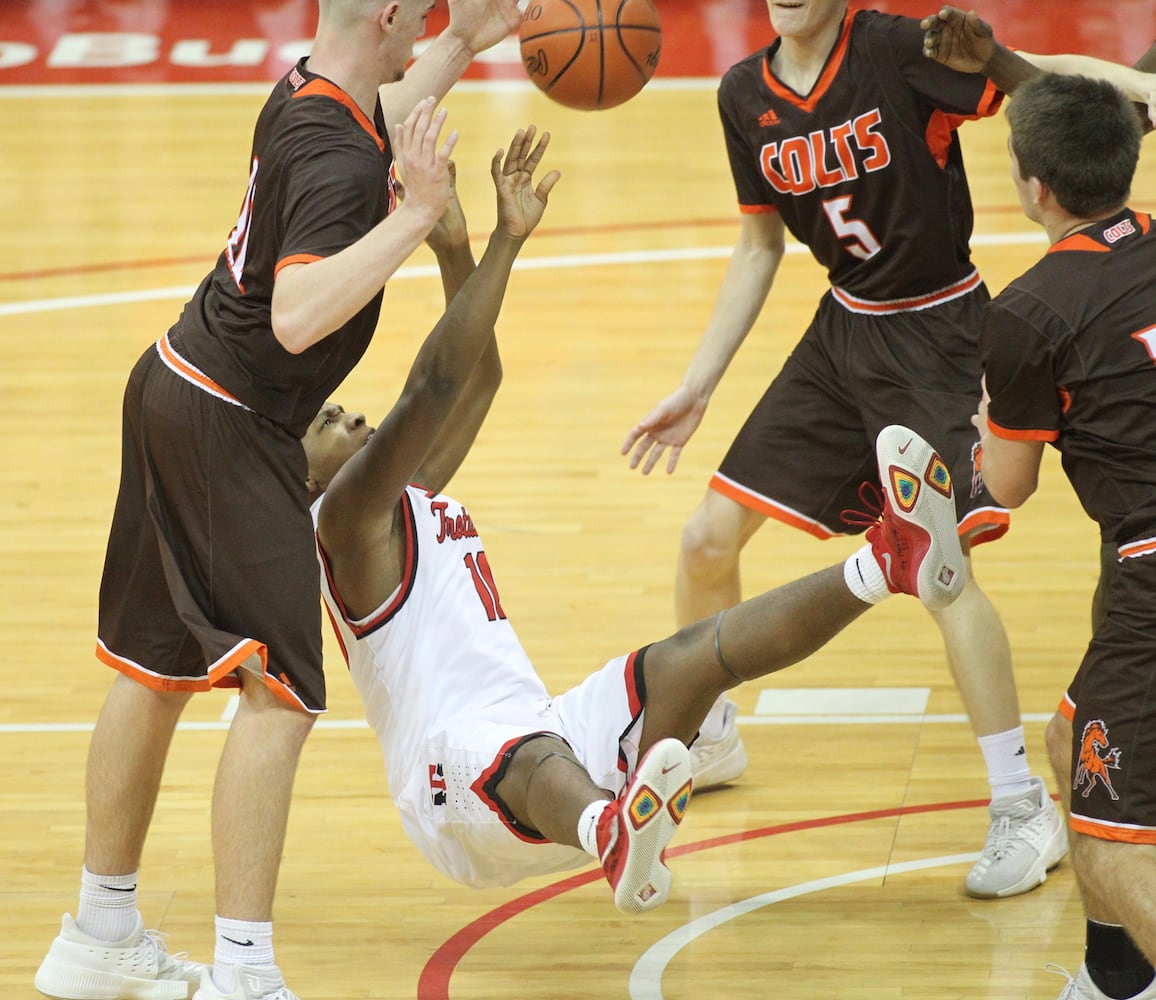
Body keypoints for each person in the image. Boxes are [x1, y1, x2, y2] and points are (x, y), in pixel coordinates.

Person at [300, 121, 973, 918]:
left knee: (689, 662)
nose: (351, 415)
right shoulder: (343, 523)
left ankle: (891, 562)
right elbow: (434, 388)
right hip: (453, 781)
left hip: (537, 739)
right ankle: (610, 829)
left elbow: (478, 379)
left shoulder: (406, 496)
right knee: (516, 750)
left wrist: (464, 247)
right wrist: (493, 242)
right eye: (327, 421)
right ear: (299, 471)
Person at [34, 2, 522, 999]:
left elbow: (385, 109)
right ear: (385, 16)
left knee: (155, 666)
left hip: (175, 383)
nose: (422, 26)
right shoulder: (341, 158)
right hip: (231, 420)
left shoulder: (306, 94)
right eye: (421, 15)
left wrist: (467, 44)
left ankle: (100, 930)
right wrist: (418, 216)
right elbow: (299, 315)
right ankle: (243, 973)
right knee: (283, 693)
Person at [618, 0, 1067, 901]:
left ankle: (1024, 807)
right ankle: (711, 737)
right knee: (707, 539)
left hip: (941, 332)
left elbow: (1047, 111)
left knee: (941, 575)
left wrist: (1001, 57)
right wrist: (699, 384)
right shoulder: (743, 92)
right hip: (843, 335)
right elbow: (758, 248)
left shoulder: (900, 48)